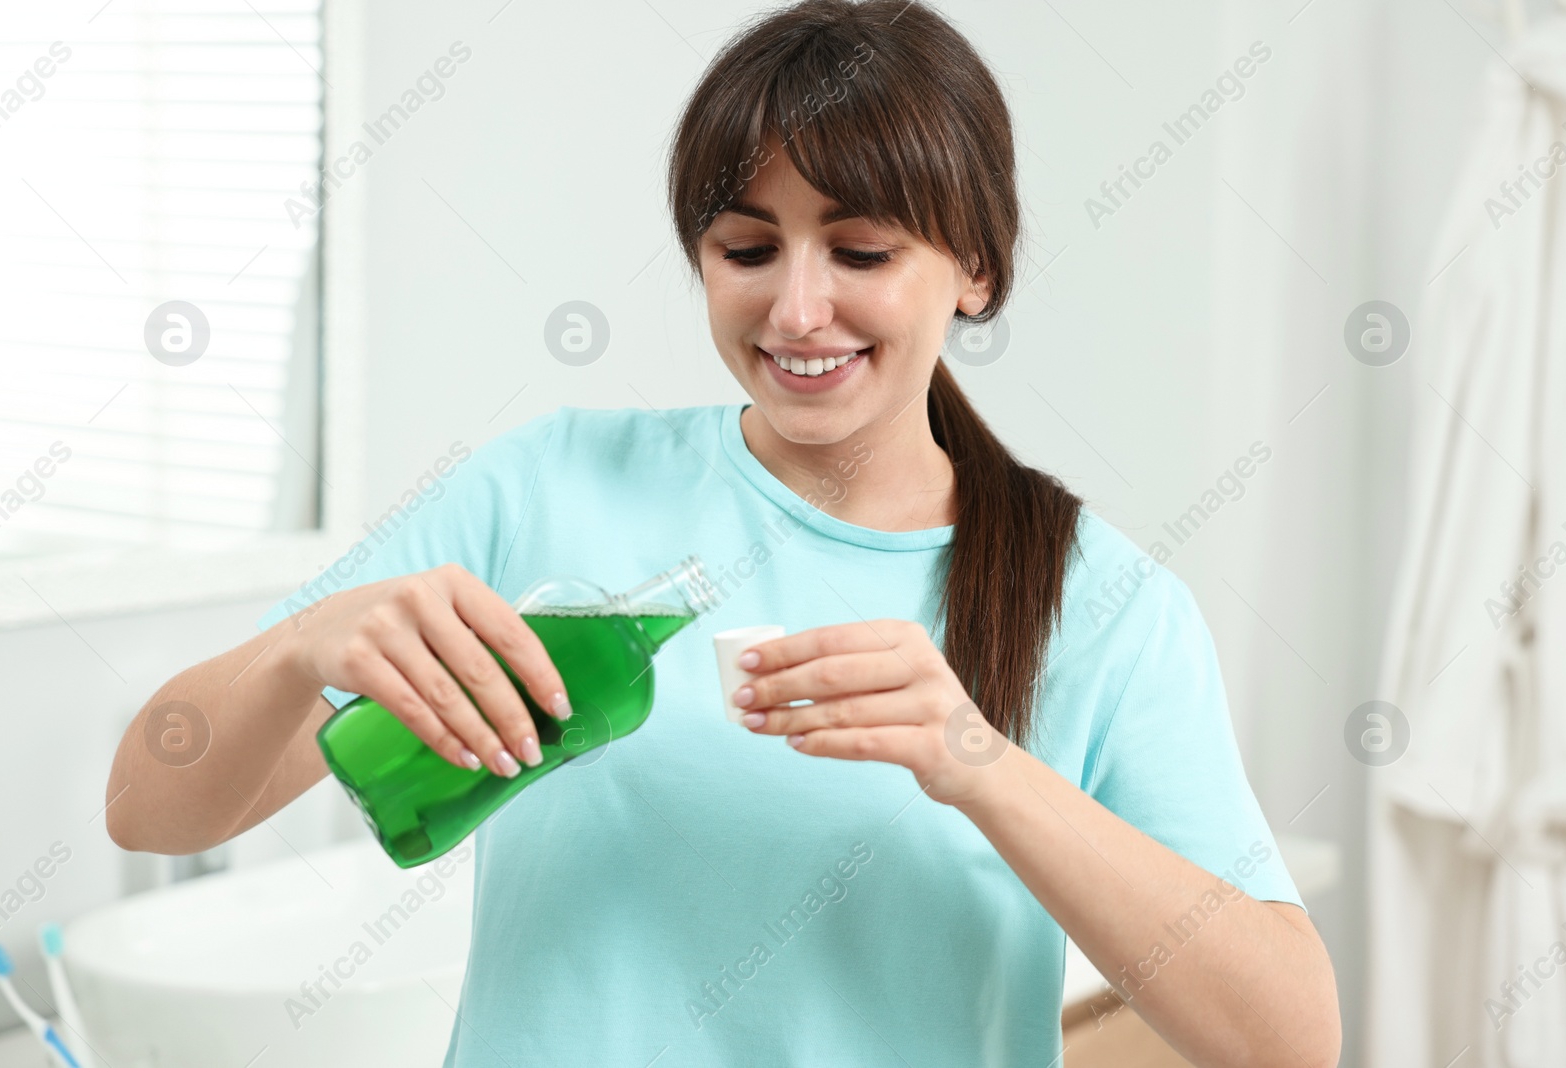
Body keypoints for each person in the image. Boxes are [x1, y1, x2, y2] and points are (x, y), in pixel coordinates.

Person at [106, 1, 1340, 1064]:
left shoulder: (1101, 607)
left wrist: (978, 765)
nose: (796, 308)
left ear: (973, 264)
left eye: (859, 249)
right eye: (746, 248)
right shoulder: (544, 485)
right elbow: (148, 809)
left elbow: (1288, 1037)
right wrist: (302, 648)